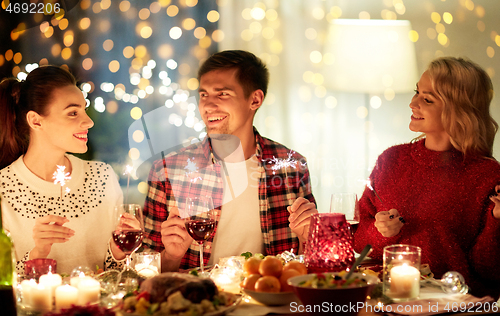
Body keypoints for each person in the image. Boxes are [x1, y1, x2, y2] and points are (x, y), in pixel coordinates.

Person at [142, 50, 318, 272]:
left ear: (255, 99)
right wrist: (171, 256)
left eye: (222, 94)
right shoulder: (168, 170)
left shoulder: (291, 167)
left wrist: (308, 240)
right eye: (204, 95)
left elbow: (310, 268)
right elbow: (144, 274)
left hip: (268, 299)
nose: (207, 106)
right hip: (200, 304)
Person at [353, 57, 500, 297]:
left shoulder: (488, 175)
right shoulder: (390, 161)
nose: (412, 103)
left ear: (458, 110)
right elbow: (358, 242)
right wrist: (380, 231)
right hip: (390, 302)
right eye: (416, 92)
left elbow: (490, 271)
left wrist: (497, 221)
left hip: (458, 308)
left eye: (427, 99)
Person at [0, 65, 131, 274]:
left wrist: (118, 252)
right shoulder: (2, 190)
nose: (88, 122)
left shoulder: (102, 177)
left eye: (84, 109)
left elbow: (120, 276)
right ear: (36, 121)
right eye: (72, 113)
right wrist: (37, 254)